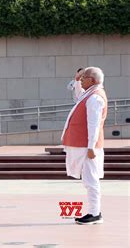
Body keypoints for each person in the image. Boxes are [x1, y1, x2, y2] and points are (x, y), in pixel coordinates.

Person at [61, 67, 107, 225]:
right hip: (85, 146)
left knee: (91, 179)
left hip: (88, 147)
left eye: (84, 78)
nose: (82, 80)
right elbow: (78, 95)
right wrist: (77, 79)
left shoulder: (95, 98)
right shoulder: (89, 95)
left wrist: (91, 147)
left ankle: (95, 213)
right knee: (89, 180)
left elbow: (93, 125)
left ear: (93, 81)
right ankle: (94, 212)